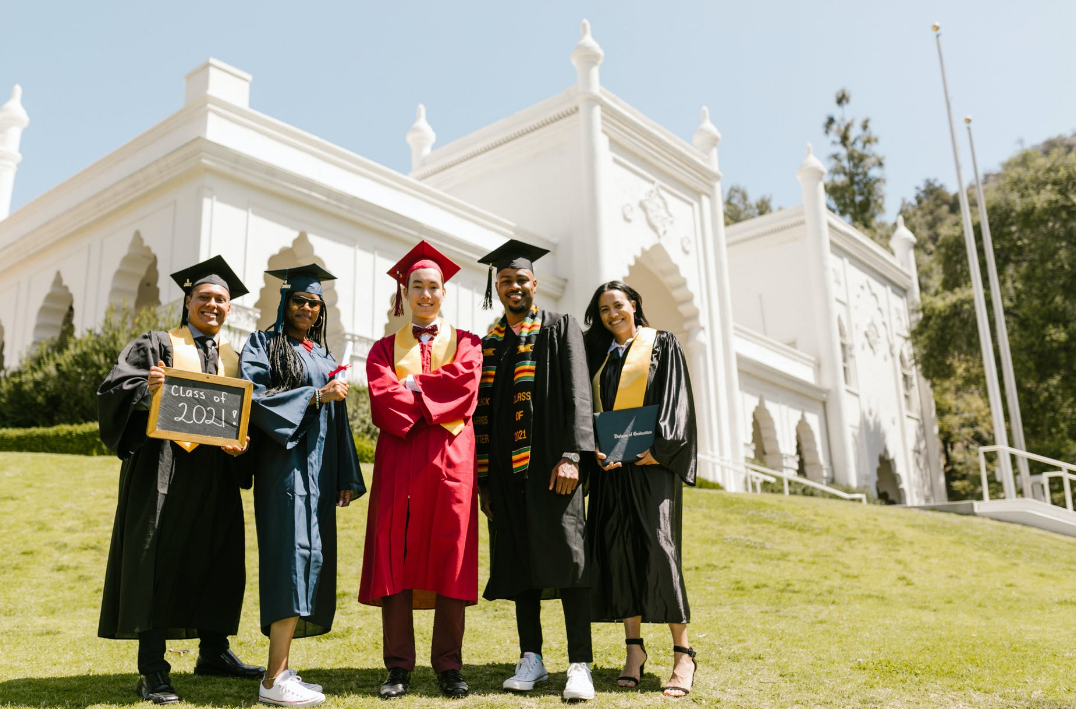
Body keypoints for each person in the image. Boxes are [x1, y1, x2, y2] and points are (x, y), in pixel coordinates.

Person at [97, 255, 263, 705]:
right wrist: (144, 390)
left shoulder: (234, 357)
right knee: (157, 558)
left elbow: (243, 418)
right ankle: (152, 669)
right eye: (204, 297)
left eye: (221, 300)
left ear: (230, 308)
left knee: (217, 557)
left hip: (215, 474)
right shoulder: (157, 344)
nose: (213, 305)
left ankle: (214, 653)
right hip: (162, 467)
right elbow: (114, 387)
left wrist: (241, 445)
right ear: (188, 301)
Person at [474, 239, 596, 701]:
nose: (514, 287)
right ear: (498, 287)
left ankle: (579, 664)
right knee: (521, 563)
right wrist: (485, 480)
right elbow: (483, 412)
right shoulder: (491, 343)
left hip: (552, 466)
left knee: (568, 561)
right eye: (505, 280)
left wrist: (572, 455)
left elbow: (579, 395)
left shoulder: (559, 328)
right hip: (506, 474)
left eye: (521, 279)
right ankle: (532, 658)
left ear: (535, 283)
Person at [359, 241, 482, 699]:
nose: (426, 294)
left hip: (451, 462)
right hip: (401, 460)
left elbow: (465, 386)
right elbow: (382, 398)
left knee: (450, 556)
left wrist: (411, 384)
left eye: (434, 287)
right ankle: (398, 666)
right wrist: (423, 392)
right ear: (405, 292)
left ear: (444, 292)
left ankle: (449, 665)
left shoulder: (467, 343)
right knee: (396, 556)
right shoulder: (382, 348)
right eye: (417, 287)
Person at [238, 264, 365, 707]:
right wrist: (314, 396)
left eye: (314, 302)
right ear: (284, 302)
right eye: (299, 300)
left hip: (317, 476)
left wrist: (346, 475)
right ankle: (272, 681)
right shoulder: (263, 345)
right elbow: (251, 397)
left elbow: (338, 420)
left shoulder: (323, 355)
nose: (307, 308)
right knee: (289, 562)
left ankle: (283, 667)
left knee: (308, 561)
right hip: (285, 472)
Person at [582, 281, 699, 698]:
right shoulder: (597, 358)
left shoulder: (661, 345)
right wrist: (592, 447)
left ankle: (683, 653)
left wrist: (660, 449)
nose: (612, 314)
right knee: (618, 550)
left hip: (651, 467)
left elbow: (676, 400)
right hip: (613, 469)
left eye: (618, 305)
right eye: (603, 309)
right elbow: (589, 411)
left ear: (634, 305)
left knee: (658, 546)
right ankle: (635, 651)